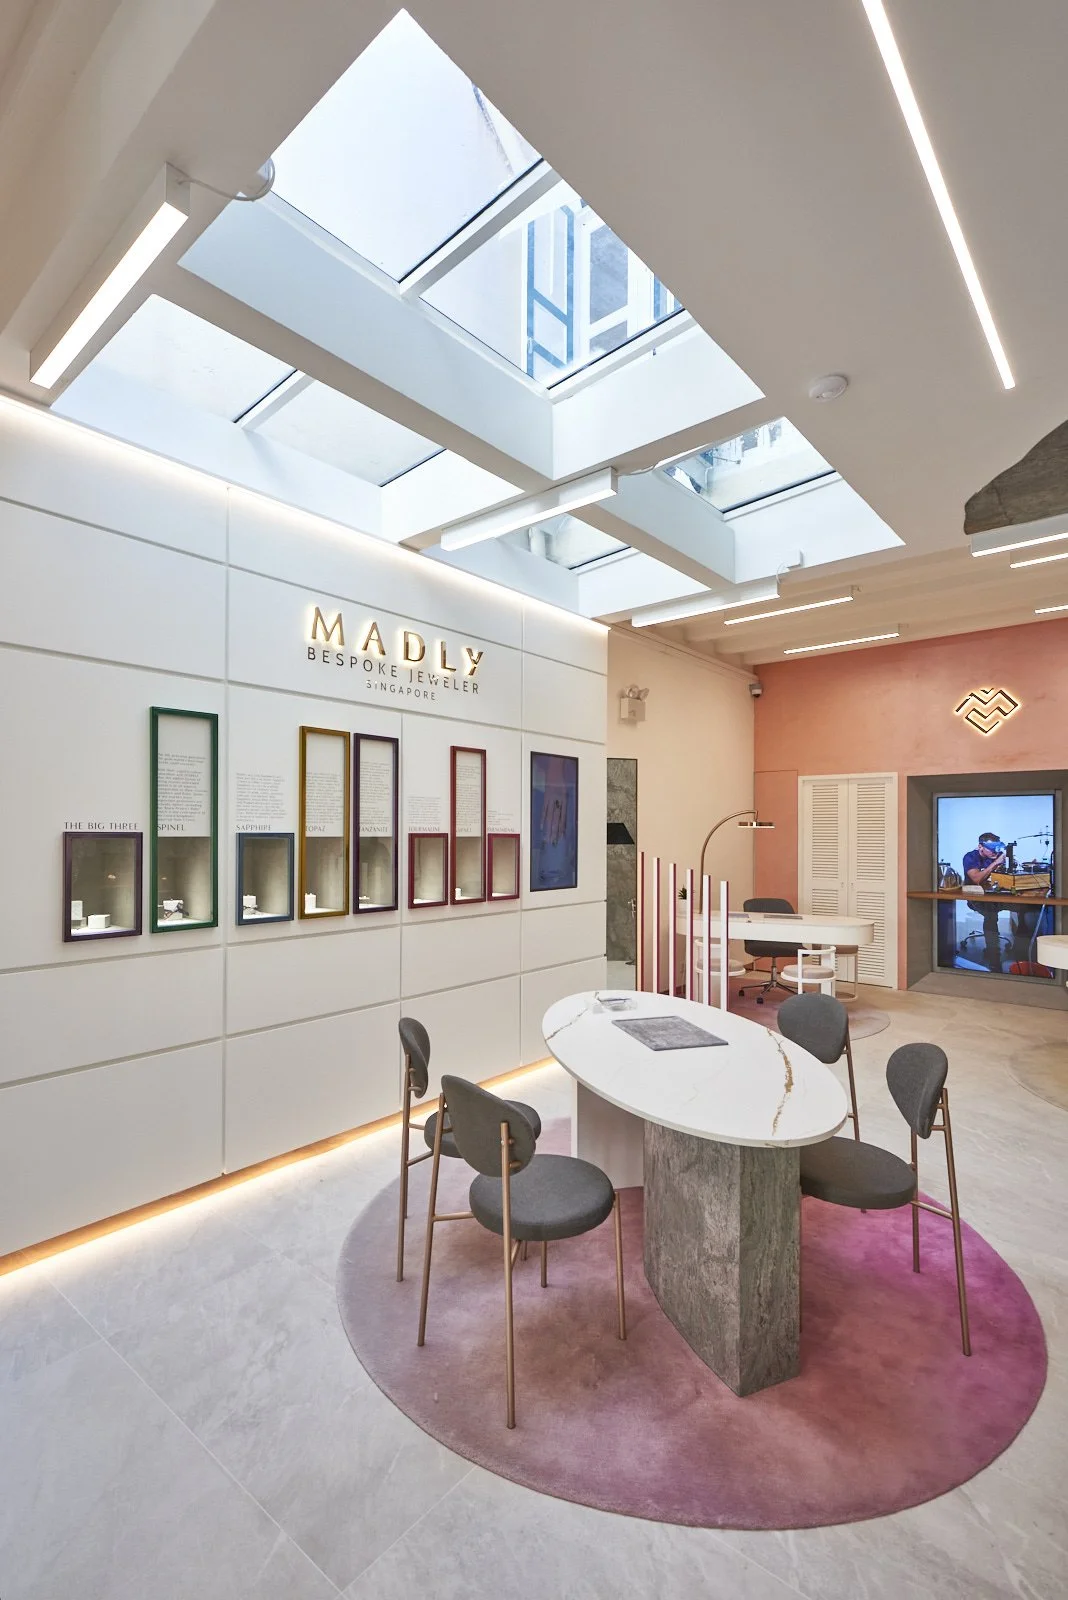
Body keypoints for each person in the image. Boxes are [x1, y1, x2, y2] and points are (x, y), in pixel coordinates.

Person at [962, 832, 1007, 972]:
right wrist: (995, 863)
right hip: (975, 897)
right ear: (980, 846)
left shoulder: (994, 856)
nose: (995, 851)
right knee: (991, 914)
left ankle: (1023, 929)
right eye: (991, 848)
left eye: (997, 848)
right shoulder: (970, 857)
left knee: (1025, 905)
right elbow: (976, 879)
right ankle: (994, 960)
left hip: (993, 894)